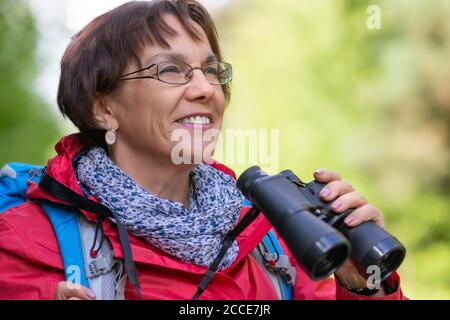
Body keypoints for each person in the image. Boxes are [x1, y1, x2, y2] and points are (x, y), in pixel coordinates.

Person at [0, 0, 406, 300]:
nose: (206, 89)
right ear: (103, 108)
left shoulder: (272, 238)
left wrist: (364, 285)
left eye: (211, 70)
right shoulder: (26, 242)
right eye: (171, 70)